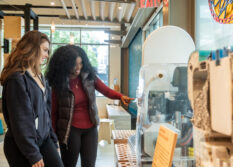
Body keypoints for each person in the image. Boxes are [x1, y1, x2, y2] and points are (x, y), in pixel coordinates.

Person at [46, 45, 134, 167]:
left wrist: (120, 96)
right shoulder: (58, 82)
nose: (78, 68)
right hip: (70, 130)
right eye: (74, 64)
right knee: (69, 164)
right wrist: (53, 138)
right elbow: (53, 112)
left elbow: (106, 90)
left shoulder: (88, 77)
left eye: (80, 64)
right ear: (65, 64)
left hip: (91, 128)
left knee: (89, 164)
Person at [0, 31, 64, 167]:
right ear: (32, 48)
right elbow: (21, 120)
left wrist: (53, 140)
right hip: (22, 145)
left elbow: (46, 113)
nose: (47, 55)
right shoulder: (17, 78)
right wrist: (33, 153)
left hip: (43, 140)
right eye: (45, 50)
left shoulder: (39, 76)